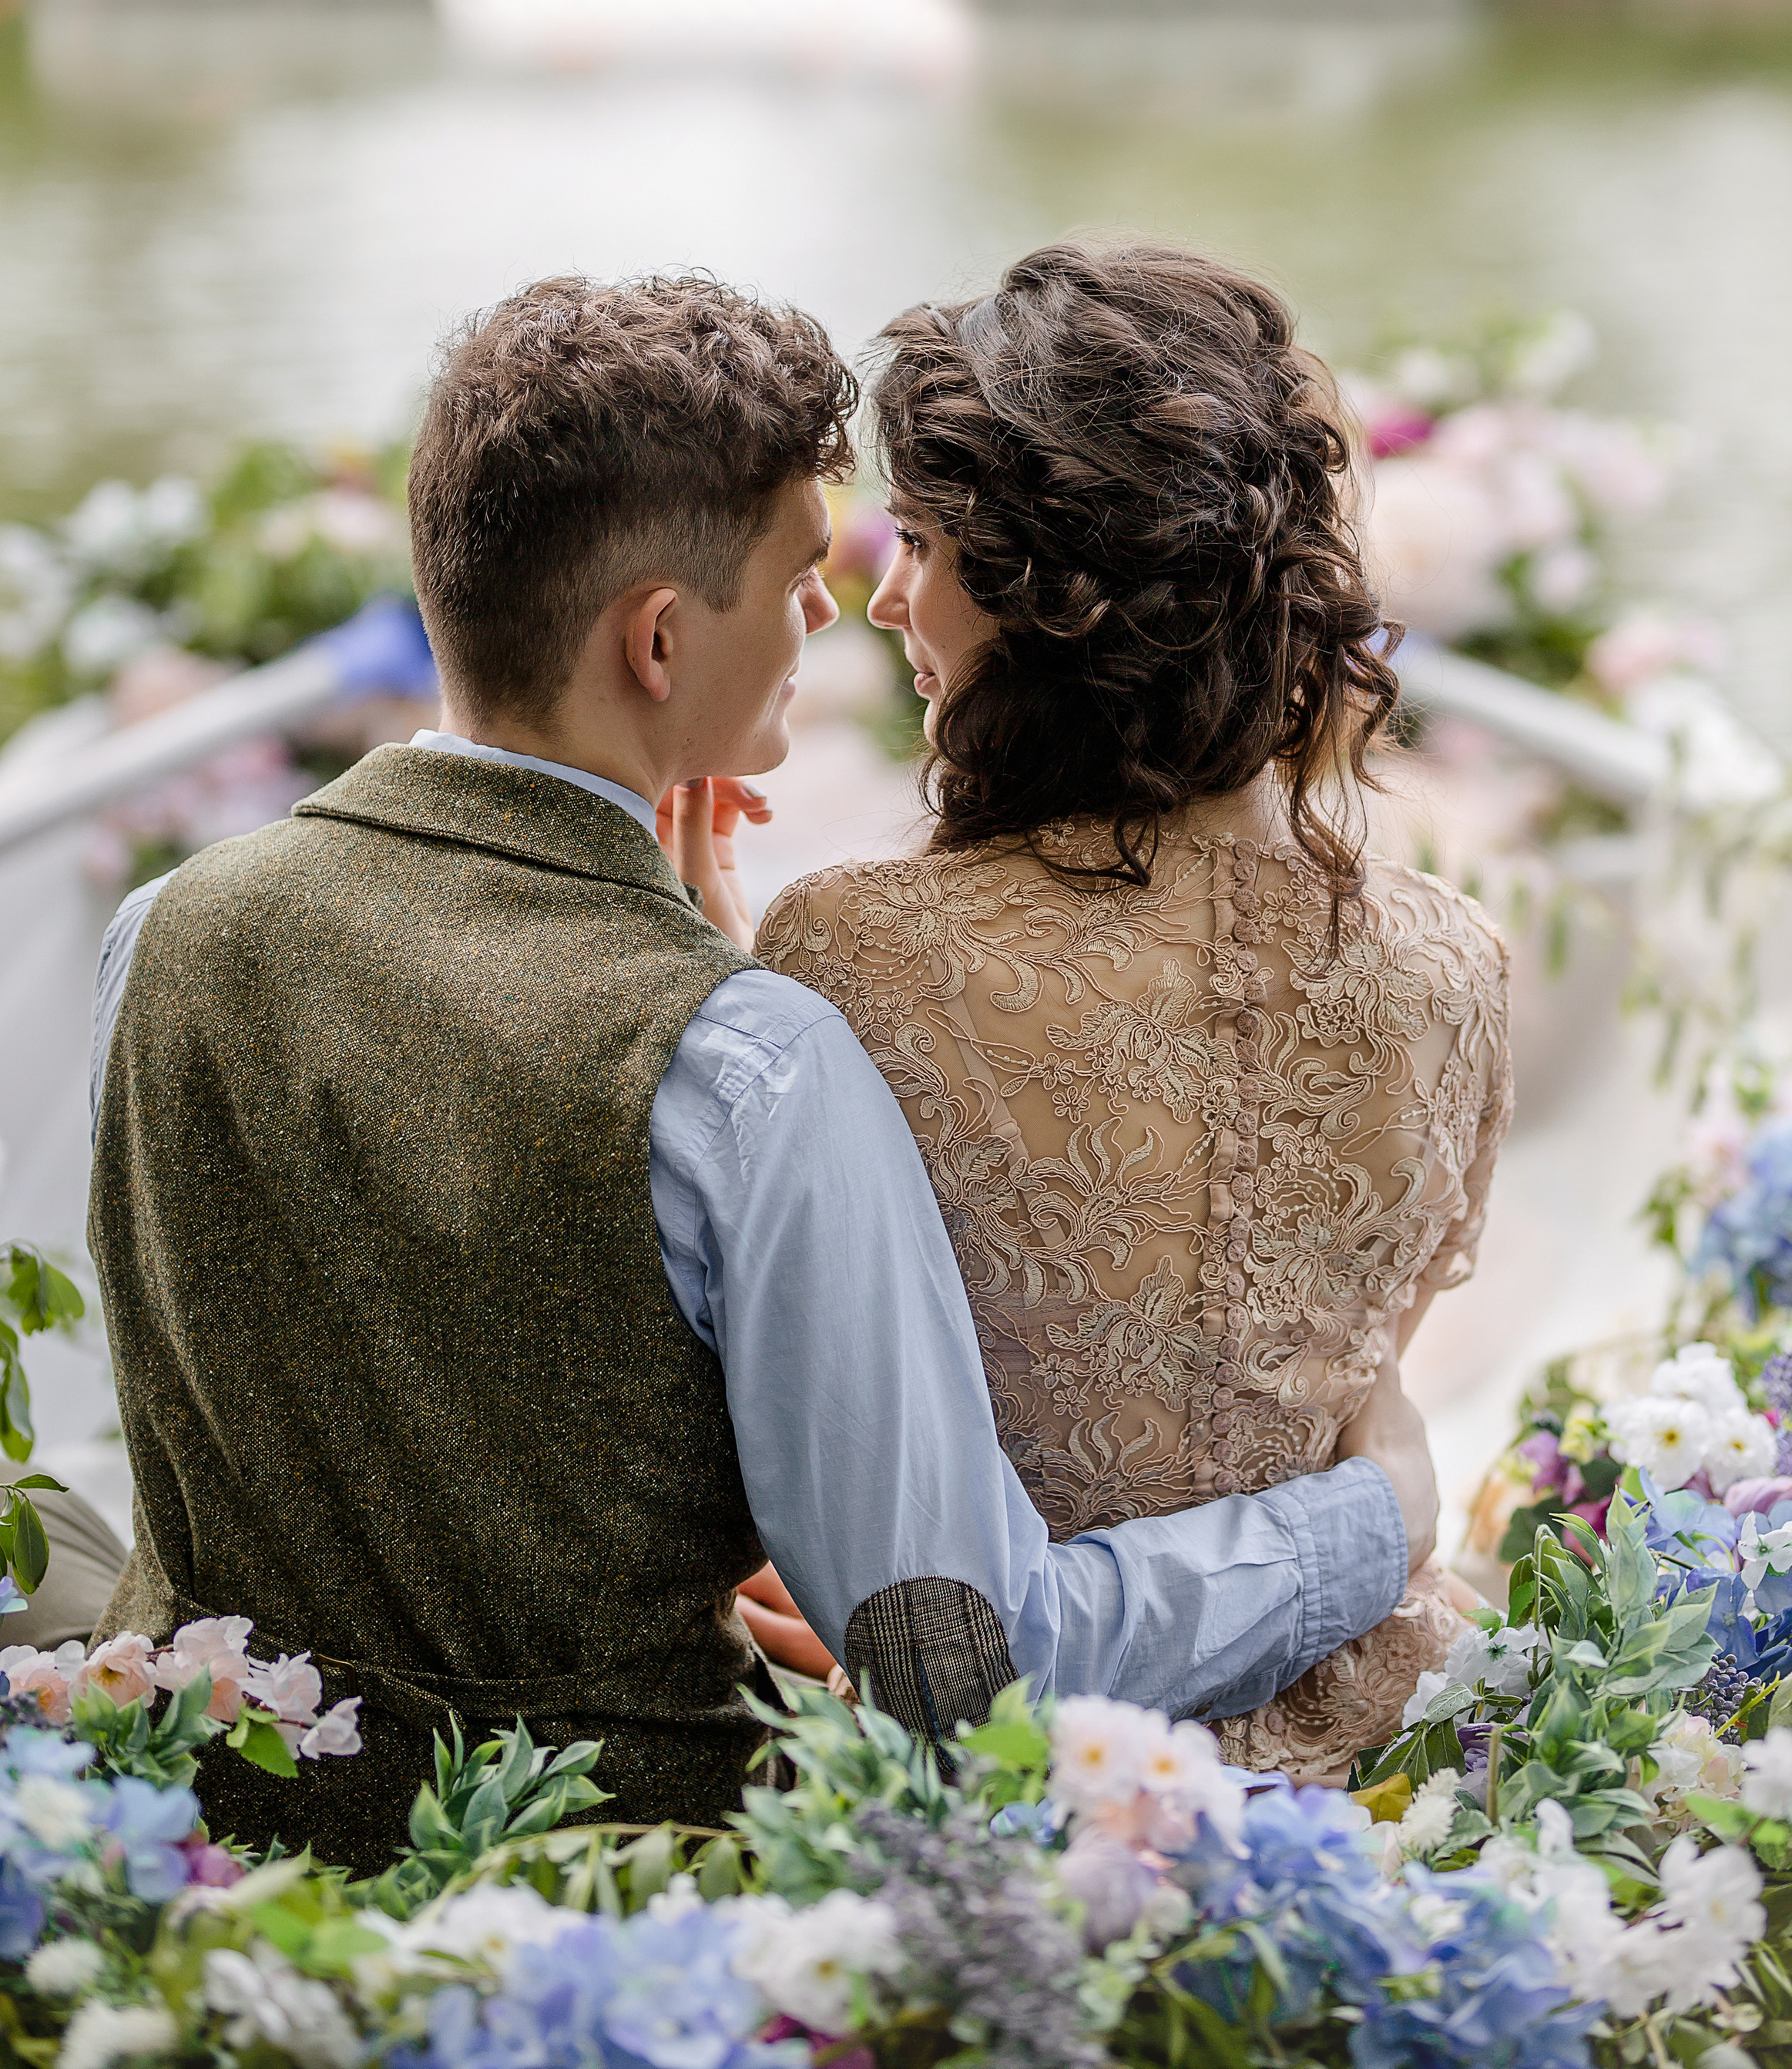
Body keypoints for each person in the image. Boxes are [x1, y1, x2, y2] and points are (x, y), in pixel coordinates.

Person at [86, 271, 1437, 1874]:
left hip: (182, 1842)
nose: (831, 611)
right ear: (657, 639)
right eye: (801, 575)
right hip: (594, 1913)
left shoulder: (161, 932)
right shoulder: (746, 1065)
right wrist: (1376, 1518)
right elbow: (966, 1671)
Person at [757, 243, 1510, 1785]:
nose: (889, 595)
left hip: (1026, 1785)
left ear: (1037, 598)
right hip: (1385, 1769)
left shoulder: (849, 946)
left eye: (924, 547)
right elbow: (1365, 1390)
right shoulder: (1457, 969)